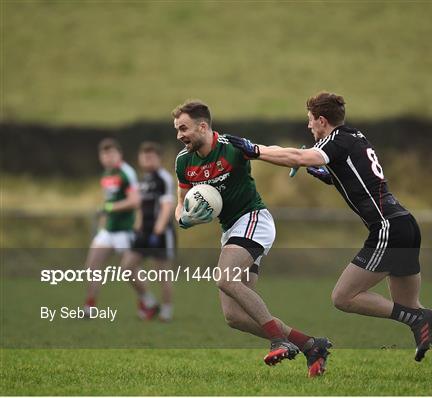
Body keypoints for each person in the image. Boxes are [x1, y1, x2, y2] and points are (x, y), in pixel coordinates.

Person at [226, 92, 432, 380]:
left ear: (322, 121)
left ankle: (417, 320)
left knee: (344, 297)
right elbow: (358, 174)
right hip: (405, 224)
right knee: (408, 304)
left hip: (387, 229)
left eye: (310, 121)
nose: (309, 127)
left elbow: (298, 156)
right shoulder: (355, 136)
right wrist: (328, 175)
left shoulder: (336, 140)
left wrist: (254, 149)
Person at [172, 100, 332, 377]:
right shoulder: (183, 162)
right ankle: (311, 345)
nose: (179, 135)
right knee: (234, 317)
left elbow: (266, 152)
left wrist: (297, 158)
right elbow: (181, 202)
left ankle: (278, 340)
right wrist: (182, 218)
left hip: (254, 220)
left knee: (225, 278)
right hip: (231, 231)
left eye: (183, 128)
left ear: (203, 126)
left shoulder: (230, 147)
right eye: (177, 130)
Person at [84, 138, 140, 316]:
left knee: (130, 271)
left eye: (111, 154)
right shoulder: (106, 174)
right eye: (104, 154)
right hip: (108, 230)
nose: (108, 158)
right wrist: (103, 220)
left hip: (125, 230)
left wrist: (107, 208)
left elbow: (134, 201)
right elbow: (109, 202)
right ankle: (90, 307)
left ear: (119, 155)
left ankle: (146, 301)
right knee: (92, 266)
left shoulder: (126, 172)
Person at [120, 142, 176, 322]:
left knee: (162, 273)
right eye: (144, 157)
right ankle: (150, 301)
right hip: (143, 233)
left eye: (151, 157)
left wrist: (158, 231)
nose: (147, 160)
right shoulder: (143, 179)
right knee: (127, 267)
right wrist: (137, 227)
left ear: (158, 158)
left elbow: (167, 205)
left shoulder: (163, 178)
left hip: (160, 233)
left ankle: (166, 310)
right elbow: (140, 207)